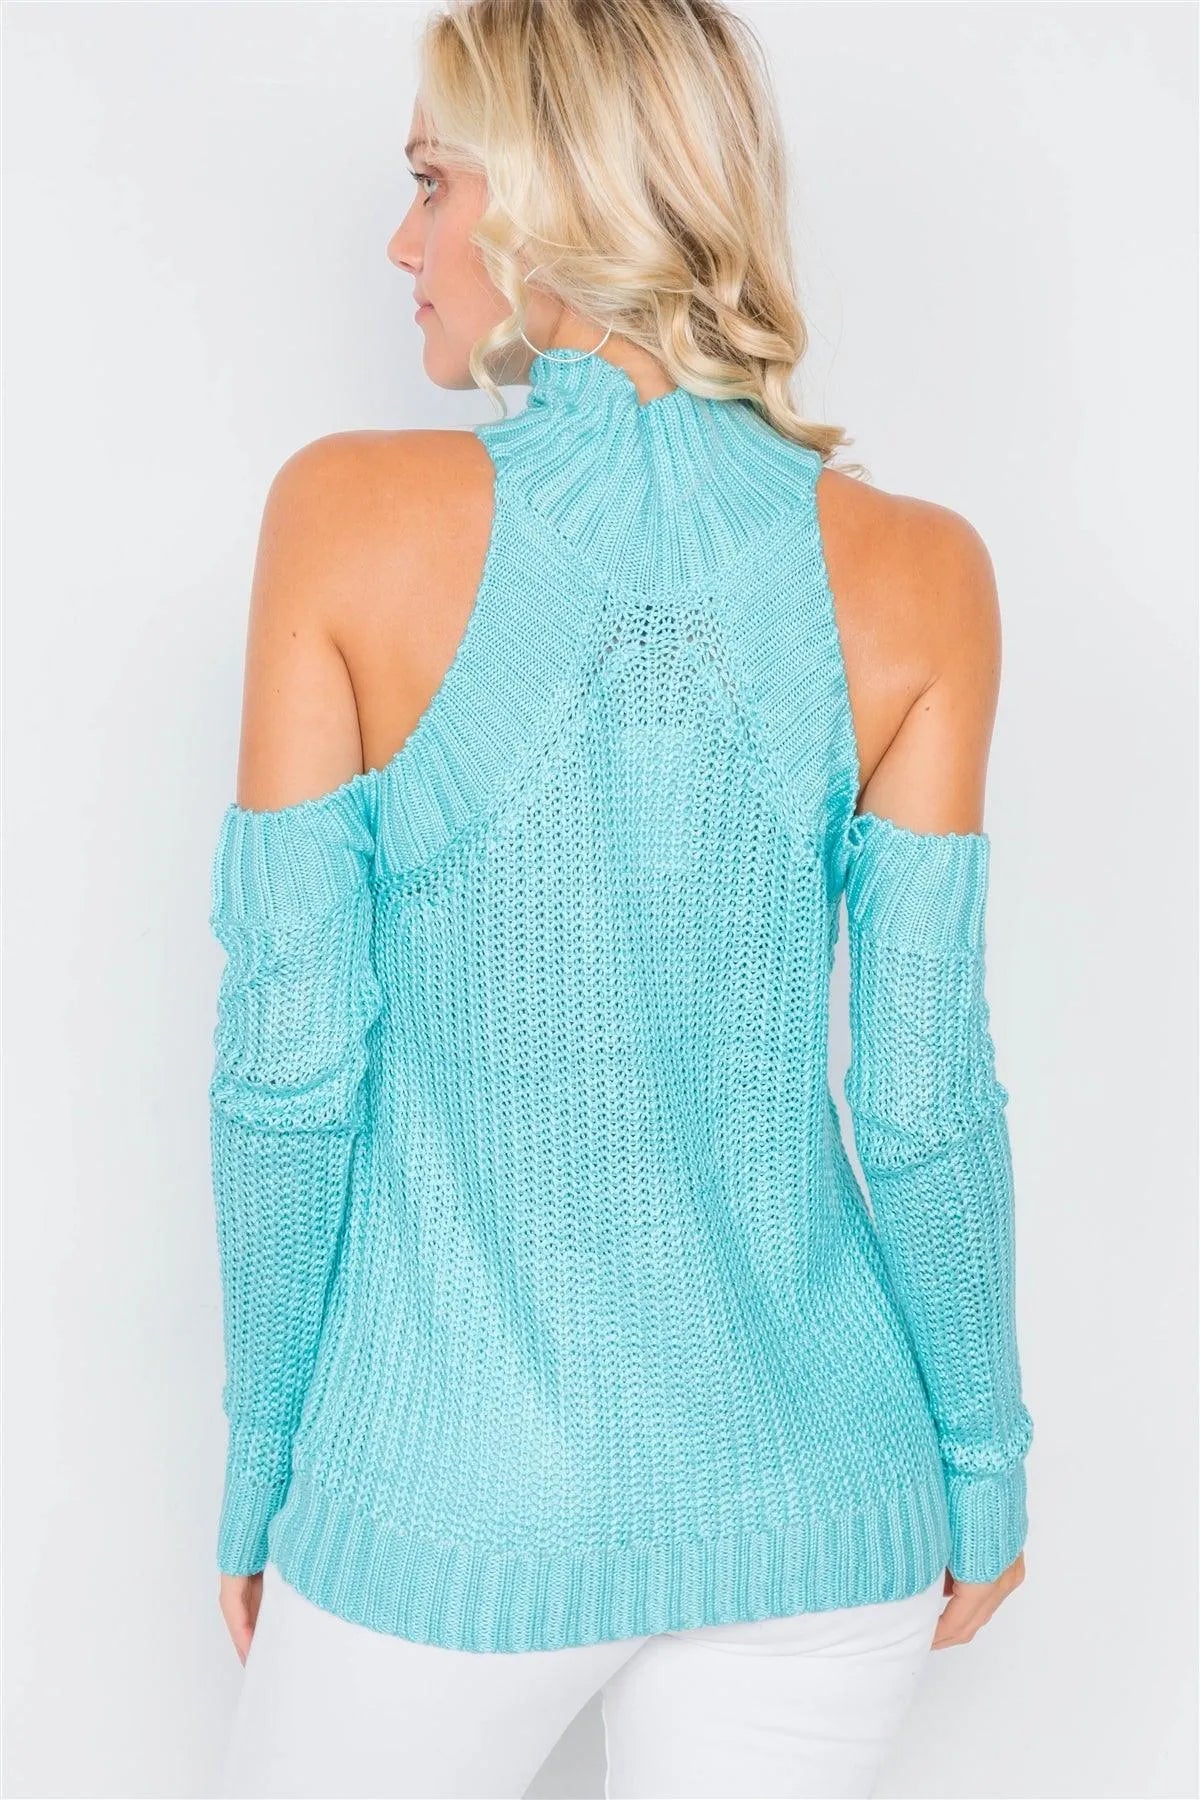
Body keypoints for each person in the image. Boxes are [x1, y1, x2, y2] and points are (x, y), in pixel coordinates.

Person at [207, 1, 1034, 1795]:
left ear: (551, 192)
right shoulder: (923, 574)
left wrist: (261, 1467)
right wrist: (982, 1464)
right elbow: (922, 1097)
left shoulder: (345, 520)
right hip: (823, 1505)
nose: (403, 242)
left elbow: (288, 1075)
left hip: (442, 1507)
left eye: (434, 181)